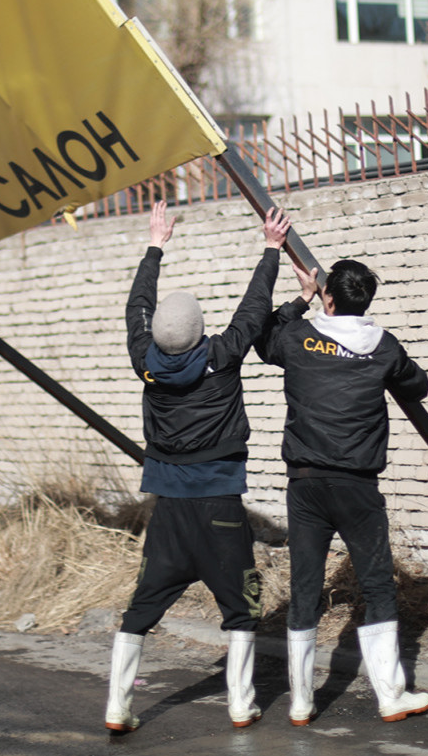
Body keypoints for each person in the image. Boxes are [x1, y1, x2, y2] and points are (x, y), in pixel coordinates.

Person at [104, 201, 291, 734]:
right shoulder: (222, 356)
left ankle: (118, 707)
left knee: (141, 610)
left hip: (167, 512)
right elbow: (253, 312)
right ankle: (240, 704)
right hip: (220, 507)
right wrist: (271, 249)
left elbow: (136, 306)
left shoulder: (145, 360)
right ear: (201, 331)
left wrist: (155, 243)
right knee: (242, 608)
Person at [255, 258, 428, 726]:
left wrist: (301, 298)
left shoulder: (298, 339)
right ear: (367, 300)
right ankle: (391, 695)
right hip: (357, 486)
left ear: (328, 296)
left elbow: (263, 339)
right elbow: (419, 385)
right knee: (377, 587)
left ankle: (300, 701)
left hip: (307, 485)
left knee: (305, 588)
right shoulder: (384, 346)